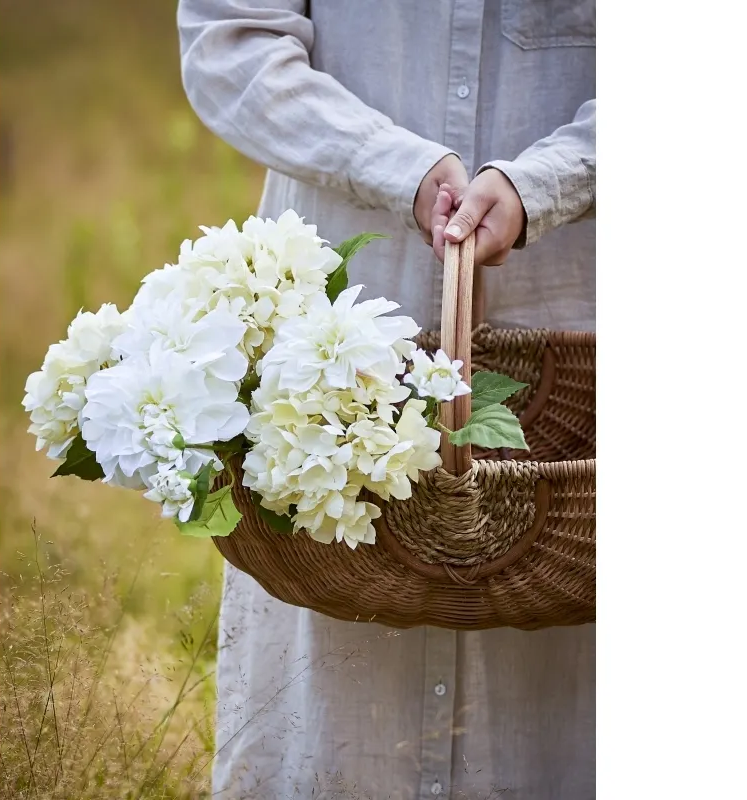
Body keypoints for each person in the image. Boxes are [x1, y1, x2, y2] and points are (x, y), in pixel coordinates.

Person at [177, 1, 595, 797]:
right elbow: (229, 40)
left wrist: (550, 180)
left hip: (575, 304)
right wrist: (395, 166)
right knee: (337, 633)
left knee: (570, 664)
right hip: (347, 287)